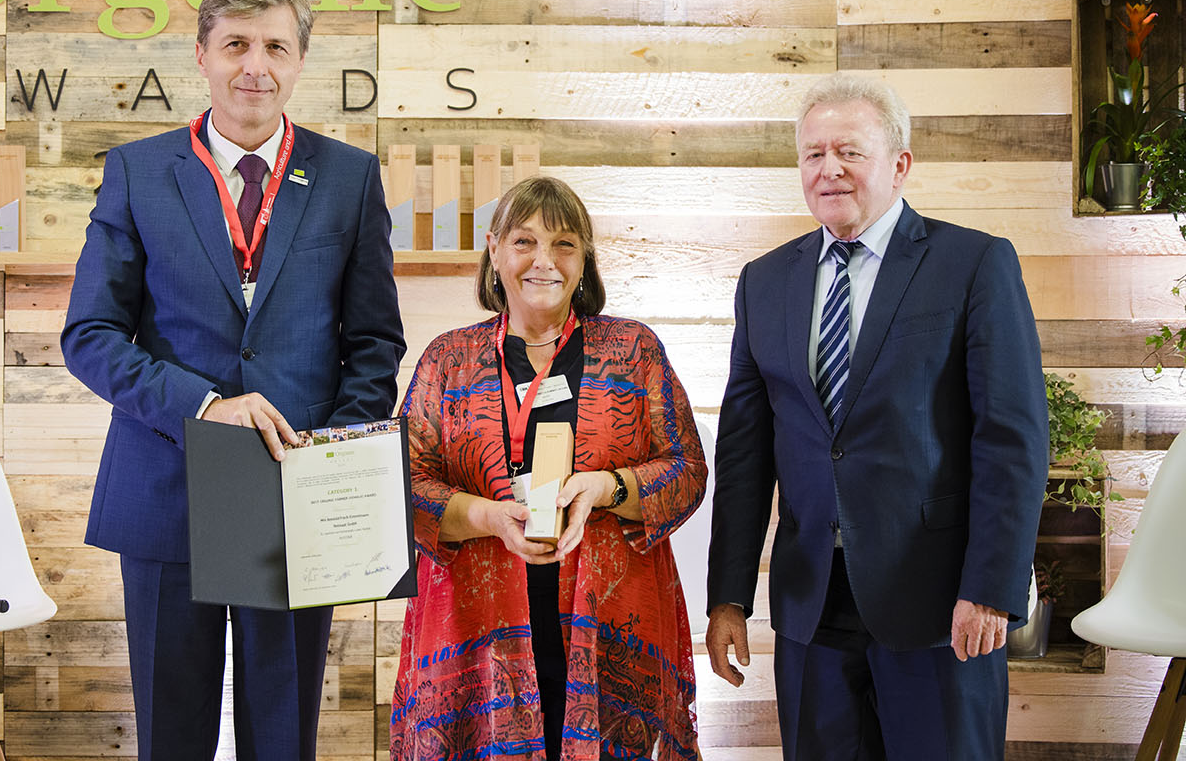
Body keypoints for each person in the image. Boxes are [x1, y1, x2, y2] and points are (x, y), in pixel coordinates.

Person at [61, 0, 406, 761]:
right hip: (166, 486)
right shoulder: (138, 173)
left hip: (298, 498)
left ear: (299, 62)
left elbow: (375, 342)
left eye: (276, 47)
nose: (256, 65)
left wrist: (335, 460)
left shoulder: (349, 179)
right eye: (237, 45)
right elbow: (91, 334)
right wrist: (207, 406)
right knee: (171, 735)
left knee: (283, 738)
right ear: (203, 56)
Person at [705, 73, 1049, 760]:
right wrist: (729, 596)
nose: (828, 169)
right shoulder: (763, 282)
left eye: (850, 152)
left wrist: (990, 588)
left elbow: (1012, 439)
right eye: (812, 154)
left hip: (941, 605)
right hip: (811, 606)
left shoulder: (974, 263)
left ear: (899, 164)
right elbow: (745, 452)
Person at [391, 176, 707, 761]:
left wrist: (606, 488)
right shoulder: (447, 359)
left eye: (564, 244)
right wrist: (488, 515)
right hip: (476, 628)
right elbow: (402, 484)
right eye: (524, 242)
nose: (545, 261)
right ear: (494, 249)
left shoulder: (634, 351)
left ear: (585, 258)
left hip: (610, 625)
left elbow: (687, 469)